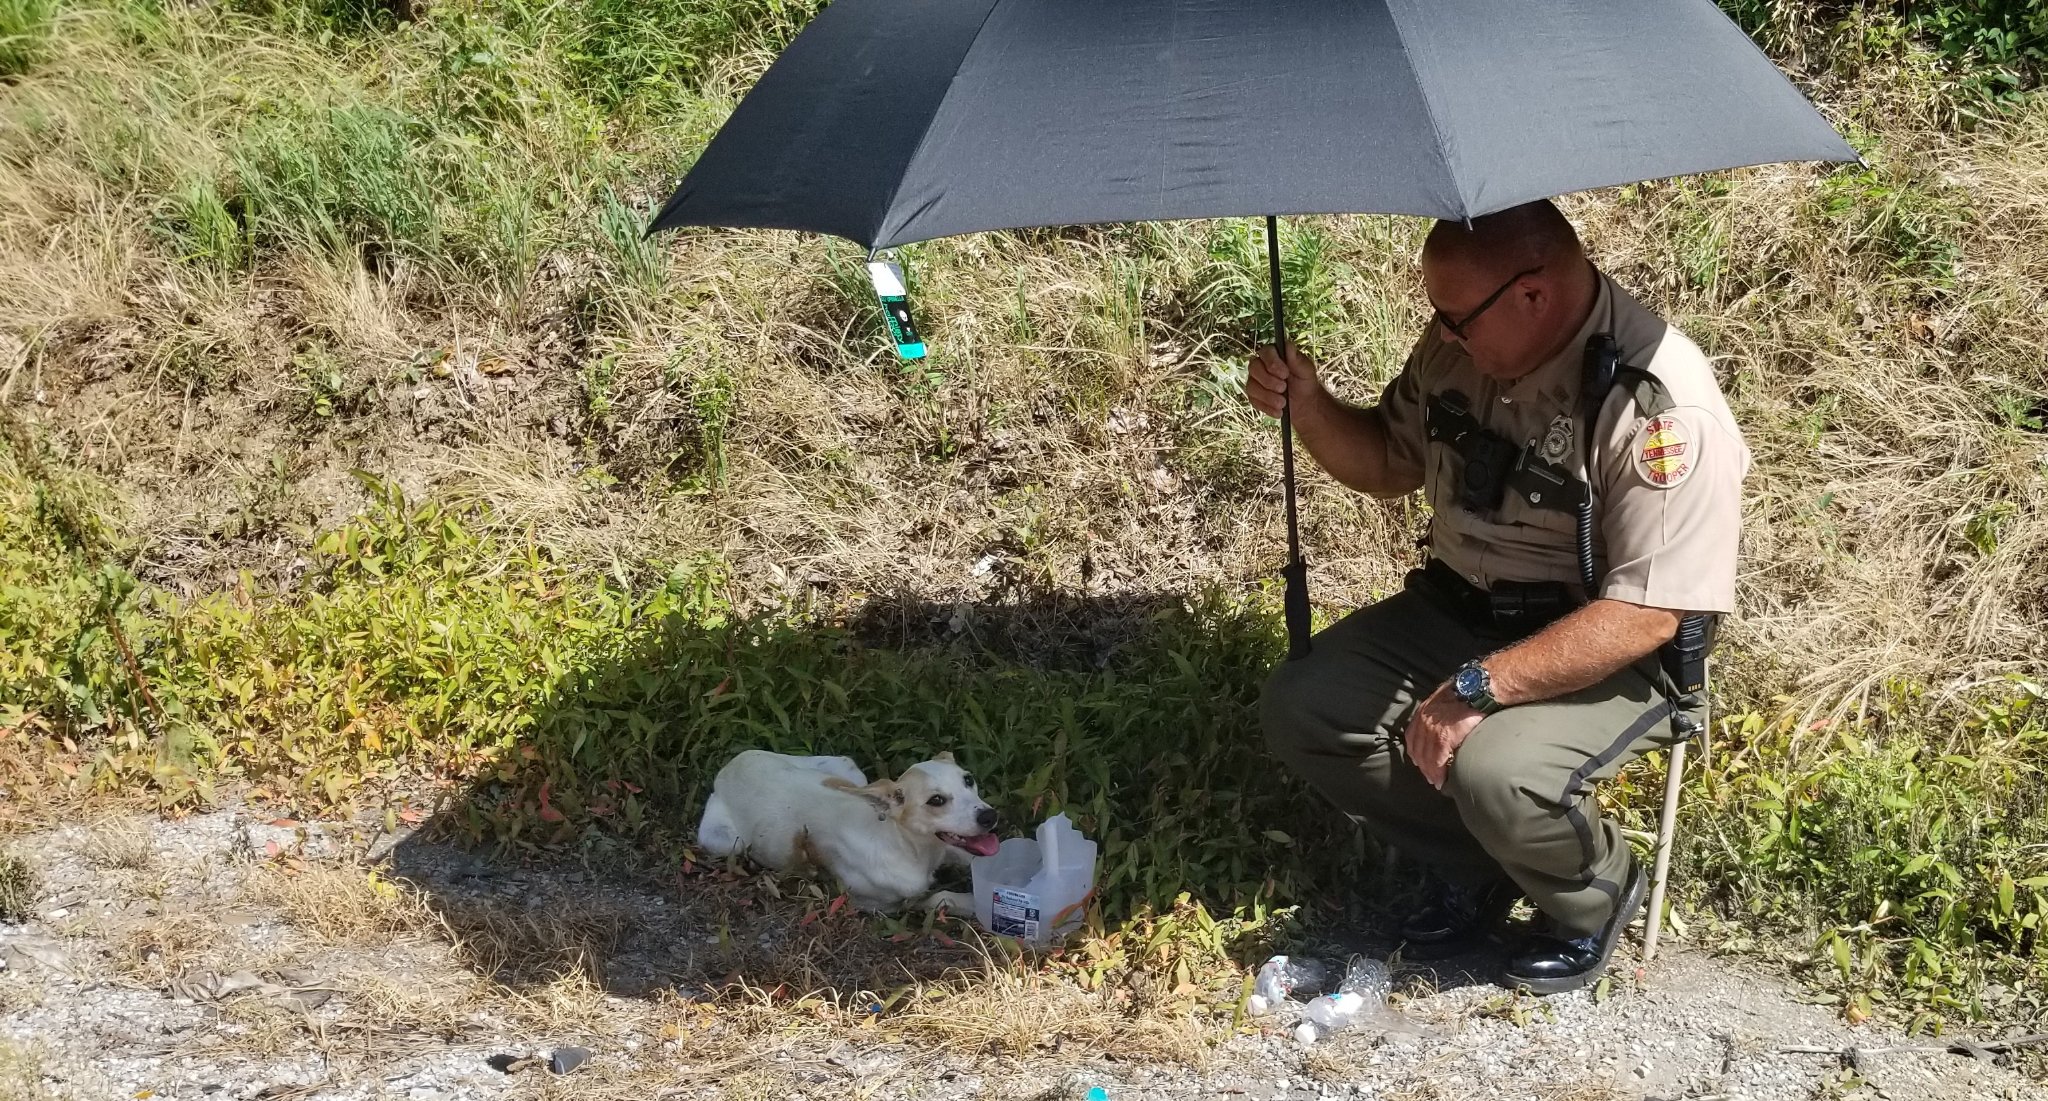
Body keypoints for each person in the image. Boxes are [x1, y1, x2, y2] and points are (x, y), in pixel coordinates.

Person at [1246, 200, 1747, 994]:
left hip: (1603, 646)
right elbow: (1387, 461)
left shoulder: (1660, 404)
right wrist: (1308, 405)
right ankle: (1480, 865)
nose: (1442, 334)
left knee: (1495, 768)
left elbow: (1652, 610)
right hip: (1456, 610)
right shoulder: (1466, 345)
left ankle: (1594, 895)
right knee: (1307, 703)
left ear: (1533, 295)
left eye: (1455, 318)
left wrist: (1477, 688)